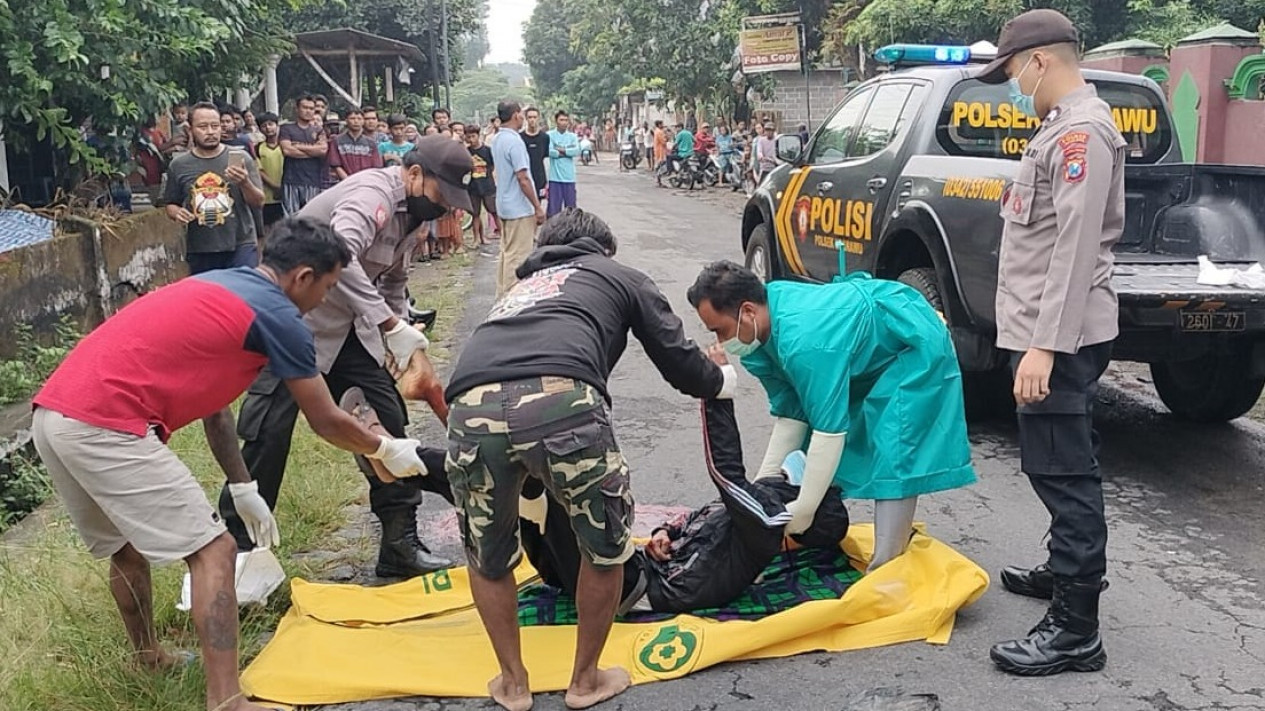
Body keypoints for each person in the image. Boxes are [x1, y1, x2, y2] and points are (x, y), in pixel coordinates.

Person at [30, 217, 428, 711]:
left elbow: (214, 408)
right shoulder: (280, 317)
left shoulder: (218, 285)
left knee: (124, 546)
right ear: (302, 277)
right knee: (215, 551)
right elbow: (325, 420)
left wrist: (243, 484)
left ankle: (147, 654)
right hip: (105, 424)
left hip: (53, 416)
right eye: (326, 287)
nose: (324, 300)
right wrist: (386, 450)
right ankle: (228, 701)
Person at [444, 209, 736, 711]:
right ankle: (585, 681)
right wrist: (720, 381)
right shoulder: (617, 274)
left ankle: (512, 684)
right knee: (605, 547)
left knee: (487, 556)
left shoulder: (520, 290)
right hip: (563, 401)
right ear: (603, 249)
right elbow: (677, 358)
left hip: (470, 405)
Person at [222, 138, 474, 577]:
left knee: (387, 420)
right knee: (267, 436)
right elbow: (340, 252)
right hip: (293, 322)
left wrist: (398, 330)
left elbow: (392, 280)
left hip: (348, 331)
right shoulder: (371, 195)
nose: (444, 208)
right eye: (442, 195)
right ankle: (237, 561)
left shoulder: (412, 218)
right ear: (414, 175)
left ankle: (399, 544)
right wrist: (387, 324)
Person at [975, 8, 1125, 677]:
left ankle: (1074, 630)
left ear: (1039, 60)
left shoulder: (1081, 134)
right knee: (1050, 461)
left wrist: (1042, 346)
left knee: (1065, 472)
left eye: (1011, 71)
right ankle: (1062, 572)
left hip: (1056, 338)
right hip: (1043, 331)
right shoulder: (1058, 129)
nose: (1012, 86)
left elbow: (1073, 246)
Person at [687, 261, 977, 571]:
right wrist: (758, 495)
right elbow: (792, 413)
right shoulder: (760, 338)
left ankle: (887, 570)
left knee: (895, 449)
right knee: (829, 439)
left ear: (747, 312)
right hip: (865, 353)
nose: (719, 341)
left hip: (910, 343)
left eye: (720, 330)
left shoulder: (805, 341)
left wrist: (805, 509)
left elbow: (829, 430)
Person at [522, 396, 849, 616]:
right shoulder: (747, 514)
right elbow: (696, 517)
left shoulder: (762, 524)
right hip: (639, 569)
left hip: (634, 588)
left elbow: (726, 470)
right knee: (543, 520)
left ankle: (531, 487)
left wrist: (717, 395)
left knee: (570, 506)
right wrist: (665, 532)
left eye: (784, 477)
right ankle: (528, 493)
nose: (775, 474)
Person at [163, 102, 264, 274]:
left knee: (240, 295)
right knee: (208, 298)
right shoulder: (179, 165)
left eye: (215, 126)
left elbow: (258, 201)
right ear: (191, 129)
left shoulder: (241, 159)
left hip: (240, 243)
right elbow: (170, 203)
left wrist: (244, 182)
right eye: (203, 127)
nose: (210, 131)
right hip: (200, 247)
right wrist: (177, 213)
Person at [490, 100, 545, 298]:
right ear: (515, 115)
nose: (523, 117)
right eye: (521, 114)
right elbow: (523, 177)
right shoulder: (514, 141)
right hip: (519, 208)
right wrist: (537, 207)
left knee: (506, 252)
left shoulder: (497, 139)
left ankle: (502, 294)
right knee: (519, 255)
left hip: (504, 204)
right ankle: (512, 297)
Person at [279, 95, 328, 215]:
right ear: (297, 109)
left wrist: (298, 146)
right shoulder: (286, 128)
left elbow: (322, 150)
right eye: (305, 107)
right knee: (291, 218)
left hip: (313, 181)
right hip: (291, 180)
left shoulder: (318, 130)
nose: (308, 111)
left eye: (311, 108)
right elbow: (287, 151)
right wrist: (313, 151)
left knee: (311, 218)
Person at [465, 124, 498, 246]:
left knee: (494, 211)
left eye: (473, 136)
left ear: (478, 136)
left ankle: (503, 237)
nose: (471, 140)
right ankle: (477, 238)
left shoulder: (487, 150)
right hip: (473, 187)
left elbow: (492, 166)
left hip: (488, 185)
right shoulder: (466, 152)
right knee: (475, 214)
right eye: (469, 137)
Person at [329, 107, 383, 181]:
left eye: (359, 119)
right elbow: (336, 165)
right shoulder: (337, 141)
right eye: (352, 118)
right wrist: (349, 180)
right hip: (344, 182)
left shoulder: (371, 143)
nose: (356, 121)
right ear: (346, 120)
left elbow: (376, 167)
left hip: (366, 182)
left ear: (363, 121)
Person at [253, 112, 286, 231]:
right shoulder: (257, 148)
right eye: (264, 125)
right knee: (267, 229)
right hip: (267, 196)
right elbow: (258, 170)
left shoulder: (286, 146)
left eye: (271, 124)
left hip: (287, 193)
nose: (268, 128)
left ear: (277, 125)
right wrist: (275, 187)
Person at [546, 111, 580, 217]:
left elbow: (576, 151)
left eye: (566, 120)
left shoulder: (572, 136)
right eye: (561, 120)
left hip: (569, 178)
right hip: (554, 178)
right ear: (556, 121)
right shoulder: (549, 135)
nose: (564, 123)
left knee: (571, 210)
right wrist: (567, 151)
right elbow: (549, 151)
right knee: (554, 210)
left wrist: (561, 150)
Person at [519, 106, 551, 206]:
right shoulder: (520, 137)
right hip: (525, 175)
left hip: (539, 176)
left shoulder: (545, 137)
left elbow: (545, 156)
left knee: (538, 203)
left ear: (538, 118)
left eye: (535, 117)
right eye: (530, 117)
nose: (532, 120)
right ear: (526, 118)